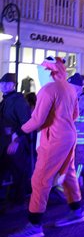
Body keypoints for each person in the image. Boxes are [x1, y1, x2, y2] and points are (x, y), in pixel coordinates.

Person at [8, 57, 84, 237]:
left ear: (49, 71)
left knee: (41, 179)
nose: (39, 72)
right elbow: (75, 114)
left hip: (54, 139)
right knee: (68, 175)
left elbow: (37, 120)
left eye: (41, 70)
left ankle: (34, 225)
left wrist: (18, 133)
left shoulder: (47, 89)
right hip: (69, 136)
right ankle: (77, 211)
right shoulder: (68, 88)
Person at [0, 72, 33, 213]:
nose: (4, 86)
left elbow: (26, 123)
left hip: (15, 143)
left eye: (7, 83)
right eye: (2, 83)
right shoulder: (6, 100)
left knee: (19, 173)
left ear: (13, 85)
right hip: (4, 143)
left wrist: (16, 140)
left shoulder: (18, 100)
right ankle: (5, 202)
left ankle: (19, 202)